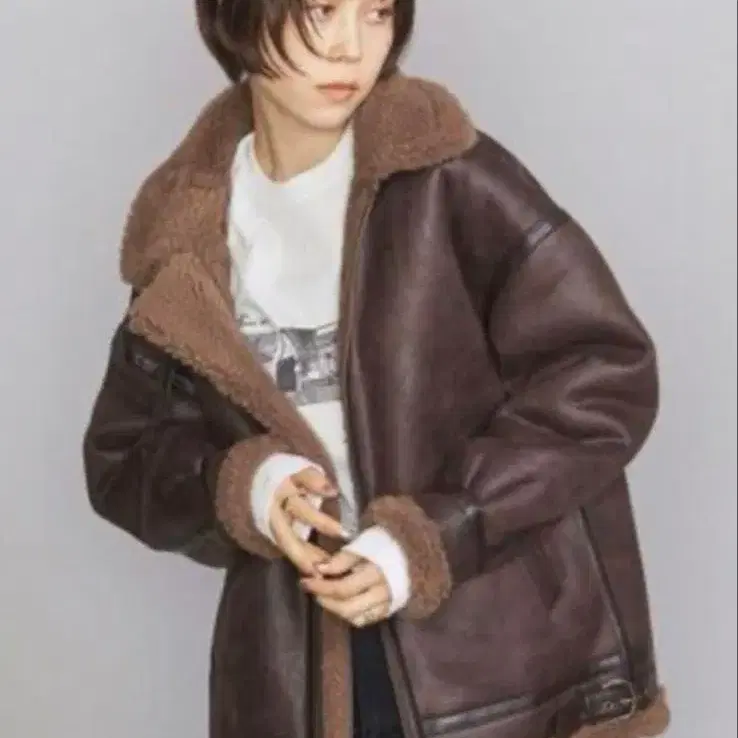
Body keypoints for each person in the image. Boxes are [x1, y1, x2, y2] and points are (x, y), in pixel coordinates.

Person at [82, 2, 672, 737]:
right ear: (237, 16)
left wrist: (435, 534)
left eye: (377, 13)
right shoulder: (187, 232)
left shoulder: (449, 181)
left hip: (491, 658)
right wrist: (249, 486)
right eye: (321, 10)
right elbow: (126, 456)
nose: (350, 48)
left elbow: (605, 371)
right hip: (297, 666)